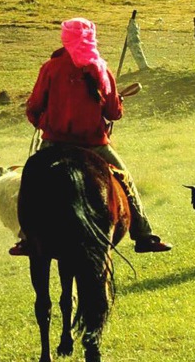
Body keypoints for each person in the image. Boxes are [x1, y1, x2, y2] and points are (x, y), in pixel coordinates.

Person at [10, 18, 169, 256]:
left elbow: (33, 108)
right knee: (125, 180)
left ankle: (26, 236)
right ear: (91, 38)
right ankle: (144, 235)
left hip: (54, 143)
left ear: (65, 37)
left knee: (32, 181)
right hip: (93, 145)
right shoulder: (100, 69)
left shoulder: (50, 68)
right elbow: (114, 113)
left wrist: (46, 123)